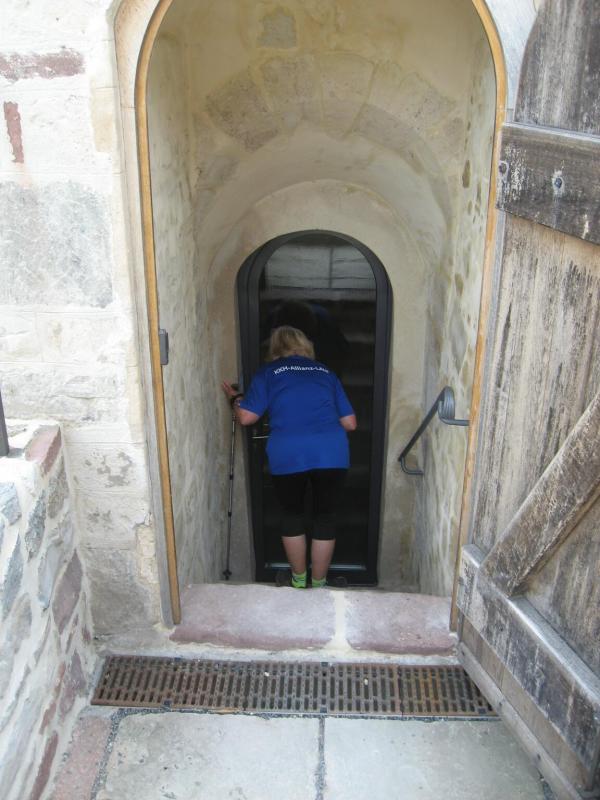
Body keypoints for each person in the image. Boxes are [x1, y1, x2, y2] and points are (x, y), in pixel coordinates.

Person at [222, 326, 356, 588]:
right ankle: (319, 584)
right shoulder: (325, 373)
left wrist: (236, 398)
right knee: (325, 517)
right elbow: (350, 423)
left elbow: (247, 417)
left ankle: (299, 580)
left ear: (275, 348)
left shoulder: (269, 373)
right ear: (306, 346)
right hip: (331, 453)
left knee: (292, 514)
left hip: (289, 453)